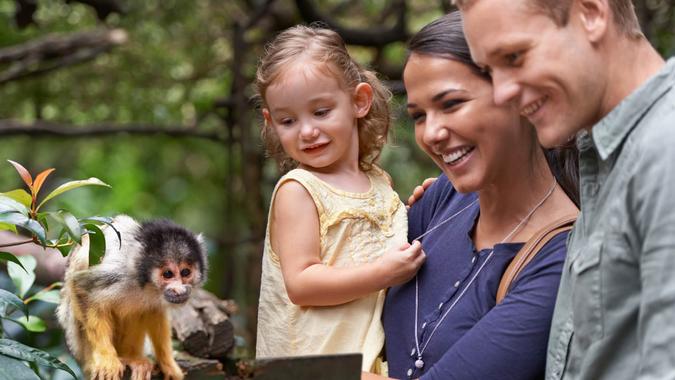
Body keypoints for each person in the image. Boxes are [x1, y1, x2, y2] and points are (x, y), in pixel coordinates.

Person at [454, 0, 673, 378]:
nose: (501, 92)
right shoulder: (607, 158)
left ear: (591, 13)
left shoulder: (663, 151)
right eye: (490, 70)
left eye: (514, 56)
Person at [369, 12, 580, 380]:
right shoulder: (443, 198)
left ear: (517, 94)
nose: (431, 133)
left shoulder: (561, 262)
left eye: (451, 104)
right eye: (419, 115)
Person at [254, 25, 425, 373]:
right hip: (310, 364)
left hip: (365, 358)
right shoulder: (298, 190)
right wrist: (382, 273)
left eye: (320, 112)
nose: (307, 131)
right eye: (288, 120)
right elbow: (302, 284)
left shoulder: (380, 184)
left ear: (359, 101)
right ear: (271, 123)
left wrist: (420, 207)